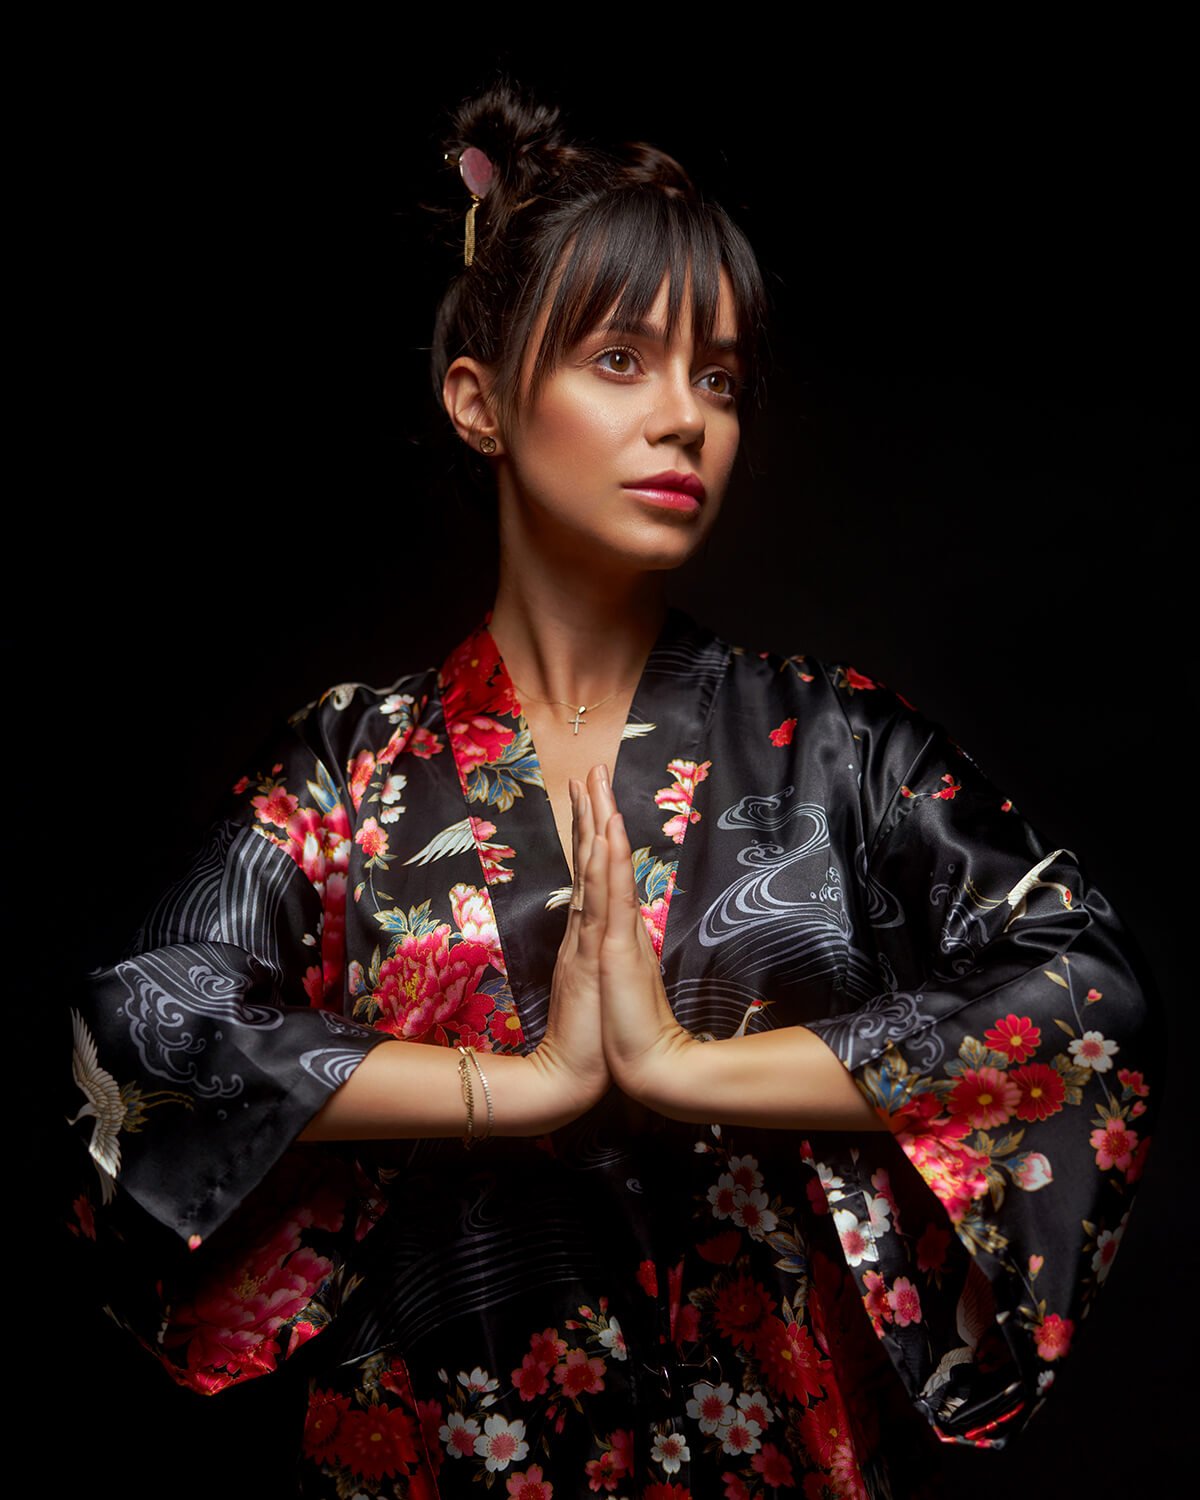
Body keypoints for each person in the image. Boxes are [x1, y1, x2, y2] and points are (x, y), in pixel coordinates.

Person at [66, 82, 1158, 1498]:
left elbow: (1086, 987)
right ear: (479, 400)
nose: (685, 419)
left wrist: (684, 1075)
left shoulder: (834, 746)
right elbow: (148, 1029)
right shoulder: (349, 765)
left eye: (717, 377)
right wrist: (520, 1096)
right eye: (623, 358)